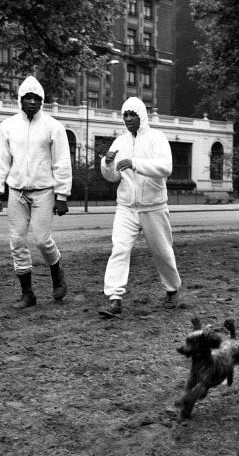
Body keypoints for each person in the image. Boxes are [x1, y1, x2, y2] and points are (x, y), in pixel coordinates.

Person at [0, 76, 72, 309]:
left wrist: (62, 196)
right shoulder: (7, 127)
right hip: (17, 192)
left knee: (43, 241)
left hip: (44, 191)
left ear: (42, 101)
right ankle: (27, 294)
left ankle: (57, 271)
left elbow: (62, 162)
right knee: (16, 241)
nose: (32, 102)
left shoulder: (53, 126)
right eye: (28, 98)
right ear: (20, 100)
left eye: (37, 98)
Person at [98, 97, 181, 318]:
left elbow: (166, 167)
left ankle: (172, 289)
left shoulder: (157, 138)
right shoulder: (120, 142)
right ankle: (114, 299)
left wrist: (136, 163)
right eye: (125, 115)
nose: (127, 119)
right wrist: (106, 163)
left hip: (153, 206)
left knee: (162, 251)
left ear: (141, 116)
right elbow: (113, 176)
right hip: (126, 206)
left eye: (132, 115)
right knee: (120, 248)